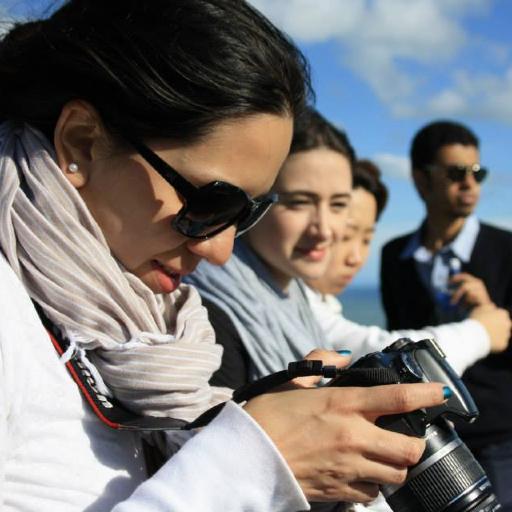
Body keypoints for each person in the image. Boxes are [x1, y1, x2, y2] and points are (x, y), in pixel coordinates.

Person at [0, 2, 452, 511]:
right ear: (79, 141)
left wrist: (266, 429)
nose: (219, 250)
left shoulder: (158, 330)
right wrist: (258, 462)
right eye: (211, 203)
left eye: (248, 213)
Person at [380, 120, 512, 509]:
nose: (470, 184)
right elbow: (396, 344)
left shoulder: (507, 250)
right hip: (428, 438)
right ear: (421, 180)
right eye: (456, 173)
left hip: (499, 439)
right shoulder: (394, 256)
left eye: (477, 173)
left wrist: (490, 313)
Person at [305, 159, 510, 375]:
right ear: (422, 179)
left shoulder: (318, 302)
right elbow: (373, 353)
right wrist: (481, 332)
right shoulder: (394, 253)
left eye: (367, 240)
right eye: (346, 236)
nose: (356, 258)